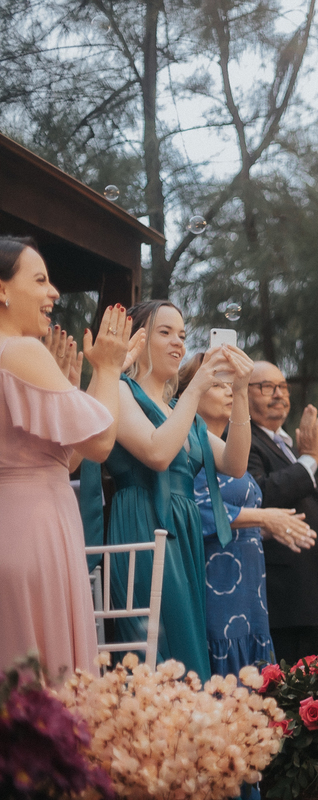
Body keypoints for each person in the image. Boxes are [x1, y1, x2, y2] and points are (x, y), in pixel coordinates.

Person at [89, 300, 254, 680]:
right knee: (154, 650)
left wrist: (241, 391)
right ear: (138, 340)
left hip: (184, 534)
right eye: (165, 333)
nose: (179, 343)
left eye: (182, 334)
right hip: (143, 524)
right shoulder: (121, 390)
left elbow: (235, 464)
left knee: (186, 646)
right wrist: (197, 388)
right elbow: (157, 453)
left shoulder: (181, 411)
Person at [0, 237, 135, 680]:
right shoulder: (20, 351)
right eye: (40, 280)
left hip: (14, 529)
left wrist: (82, 386)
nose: (54, 292)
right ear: (2, 289)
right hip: (36, 532)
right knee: (50, 686)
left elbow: (67, 460)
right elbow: (100, 443)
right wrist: (109, 368)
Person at [178, 354, 317, 677]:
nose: (230, 391)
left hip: (249, 591)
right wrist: (263, 518)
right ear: (189, 393)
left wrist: (269, 527)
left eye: (232, 385)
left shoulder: (231, 448)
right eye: (218, 385)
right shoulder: (185, 444)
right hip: (216, 582)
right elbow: (195, 508)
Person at [246, 360, 318, 664]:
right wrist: (309, 460)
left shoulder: (285, 444)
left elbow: (308, 512)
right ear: (242, 393)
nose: (278, 394)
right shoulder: (243, 440)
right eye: (266, 386)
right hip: (287, 603)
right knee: (288, 690)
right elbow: (259, 496)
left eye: (283, 386)